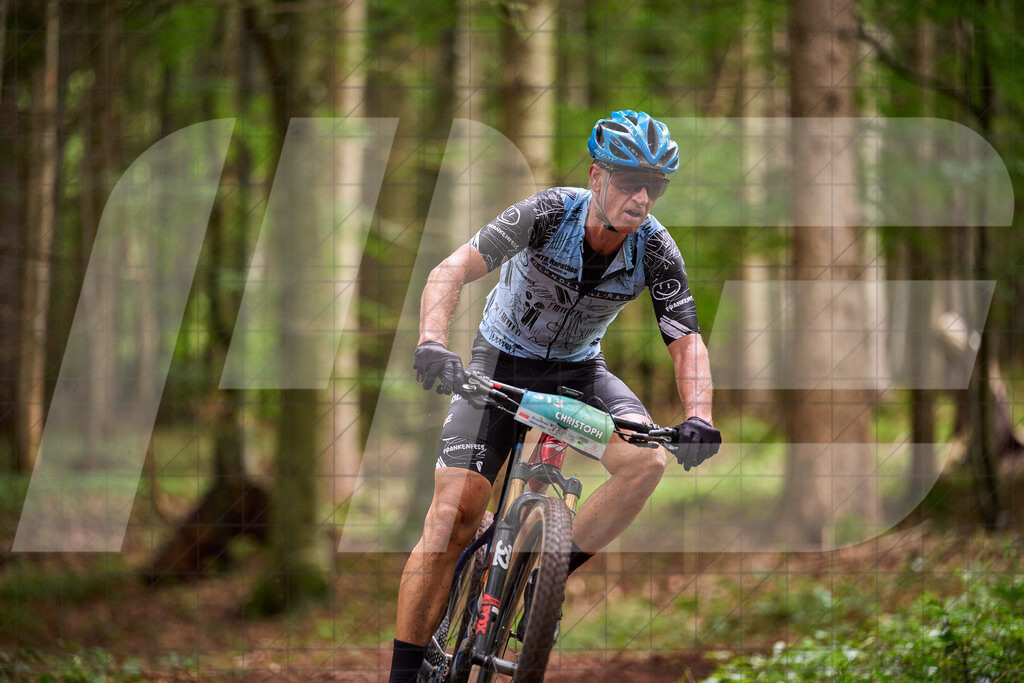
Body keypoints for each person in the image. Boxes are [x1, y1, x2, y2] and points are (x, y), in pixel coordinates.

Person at [388, 110, 721, 682]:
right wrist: (431, 342)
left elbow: (686, 340)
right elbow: (449, 271)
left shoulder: (657, 250)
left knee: (646, 460)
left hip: (577, 372)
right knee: (451, 518)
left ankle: (548, 572)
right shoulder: (544, 214)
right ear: (597, 176)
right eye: (627, 180)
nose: (640, 197)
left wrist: (699, 415)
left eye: (655, 186)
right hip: (498, 363)